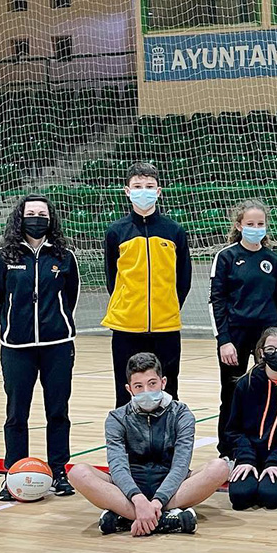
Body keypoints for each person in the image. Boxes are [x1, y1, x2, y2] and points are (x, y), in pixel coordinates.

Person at [68, 353, 229, 535]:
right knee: (77, 472)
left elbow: (180, 466)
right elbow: (118, 466)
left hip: (173, 486)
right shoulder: (116, 418)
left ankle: (129, 517)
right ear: (129, 389)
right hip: (129, 487)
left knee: (220, 467)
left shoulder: (182, 414)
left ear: (163, 382)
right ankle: (164, 519)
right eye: (139, 386)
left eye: (152, 383)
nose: (146, 391)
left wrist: (157, 501)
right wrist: (137, 498)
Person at [0, 194, 80, 501]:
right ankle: (12, 472)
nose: (36, 218)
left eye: (42, 213)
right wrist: (10, 330)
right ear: (20, 217)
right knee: (16, 413)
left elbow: (71, 296)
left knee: (58, 411)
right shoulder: (4, 256)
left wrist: (59, 323)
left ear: (51, 219)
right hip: (17, 347)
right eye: (31, 213)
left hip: (57, 346)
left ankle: (59, 471)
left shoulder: (64, 256)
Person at [103, 162, 191, 407]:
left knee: (168, 388)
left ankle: (167, 443)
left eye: (149, 186)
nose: (144, 191)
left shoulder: (174, 231)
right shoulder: (116, 231)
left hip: (166, 327)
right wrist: (131, 305)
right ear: (127, 191)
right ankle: (127, 444)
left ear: (159, 191)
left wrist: (166, 305)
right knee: (127, 390)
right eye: (138, 186)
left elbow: (183, 279)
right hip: (126, 327)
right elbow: (113, 277)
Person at [209, 200, 277, 458]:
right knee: (230, 395)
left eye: (260, 224)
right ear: (239, 225)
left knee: (267, 390)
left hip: (266, 337)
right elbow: (216, 300)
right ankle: (227, 452)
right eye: (250, 224)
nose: (255, 228)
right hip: (235, 336)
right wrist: (224, 340)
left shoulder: (274, 260)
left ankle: (264, 446)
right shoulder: (226, 257)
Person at [225, 327, 277, 510]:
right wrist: (245, 457)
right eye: (271, 349)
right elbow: (233, 429)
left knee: (270, 497)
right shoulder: (245, 384)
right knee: (241, 497)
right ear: (261, 352)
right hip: (249, 456)